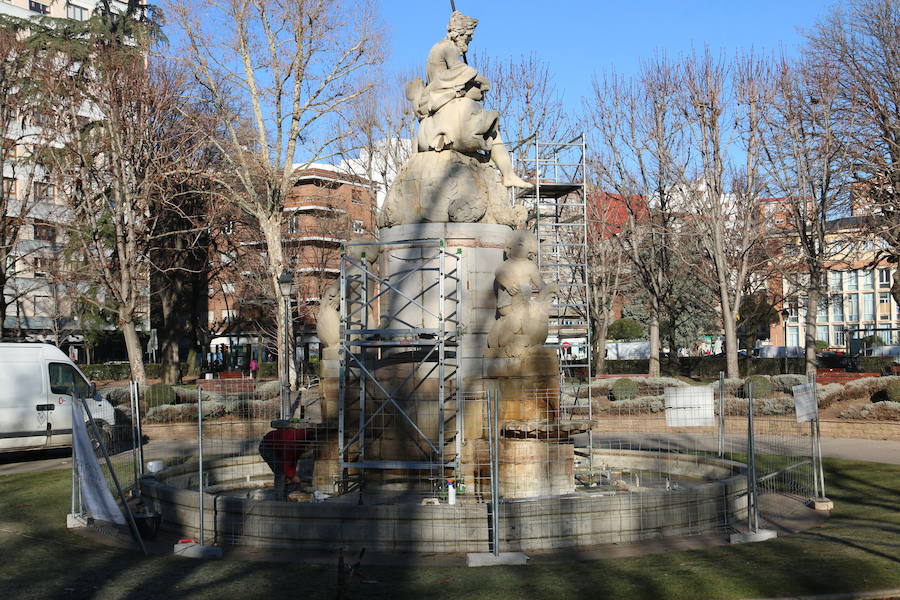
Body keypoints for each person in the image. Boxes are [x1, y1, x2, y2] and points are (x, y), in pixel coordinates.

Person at [405, 10, 532, 189]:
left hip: (435, 109)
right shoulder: (448, 48)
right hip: (450, 105)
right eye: (469, 36)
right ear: (460, 34)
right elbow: (462, 72)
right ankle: (508, 174)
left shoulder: (435, 49)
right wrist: (481, 80)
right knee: (492, 130)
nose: (469, 40)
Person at [258, 422, 312, 500]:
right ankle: (280, 498)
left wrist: (292, 474)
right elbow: (286, 464)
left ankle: (286, 492)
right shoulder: (292, 443)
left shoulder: (302, 440)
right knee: (280, 472)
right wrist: (293, 476)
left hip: (277, 446)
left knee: (287, 474)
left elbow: (294, 459)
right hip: (267, 447)